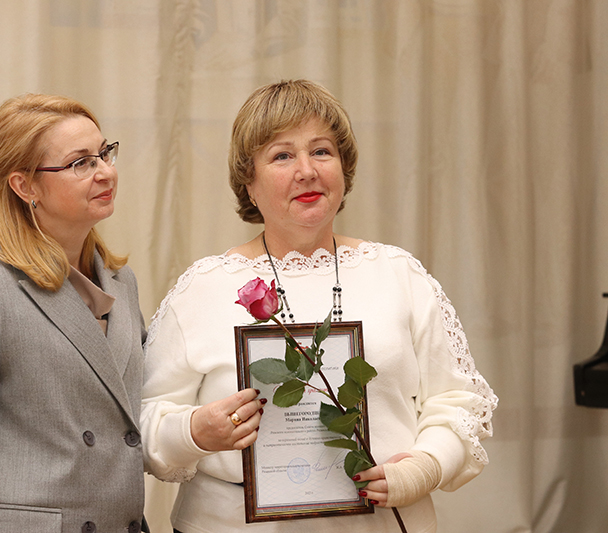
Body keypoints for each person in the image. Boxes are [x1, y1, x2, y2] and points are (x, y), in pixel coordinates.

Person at [140, 80, 498, 532]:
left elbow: (459, 401)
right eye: (282, 156)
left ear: (344, 169)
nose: (307, 171)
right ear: (249, 183)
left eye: (322, 151)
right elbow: (142, 423)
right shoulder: (203, 288)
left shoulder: (398, 275)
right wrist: (193, 431)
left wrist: (427, 466)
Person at [0, 94, 149, 533]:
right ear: (25, 186)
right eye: (80, 163)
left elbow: (134, 417)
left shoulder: (122, 281)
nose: (105, 172)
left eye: (104, 153)